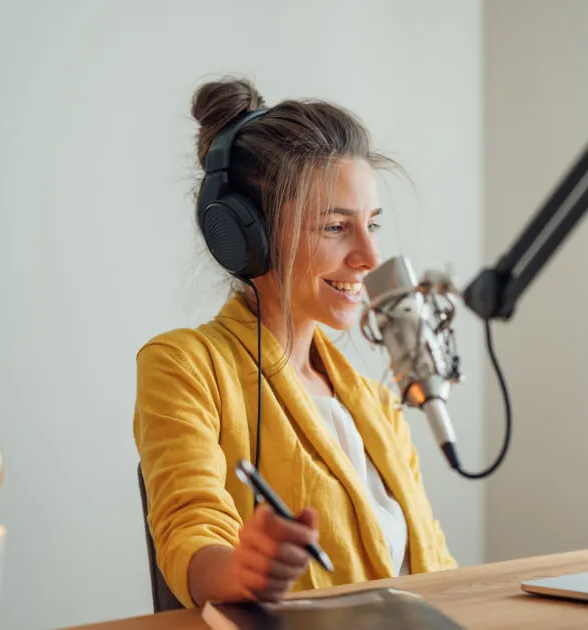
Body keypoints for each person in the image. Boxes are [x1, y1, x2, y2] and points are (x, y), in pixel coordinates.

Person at [133, 76, 456, 609]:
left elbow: (437, 574)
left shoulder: (376, 404)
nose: (369, 257)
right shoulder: (185, 366)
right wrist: (240, 570)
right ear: (249, 237)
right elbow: (189, 528)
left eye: (372, 224)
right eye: (335, 227)